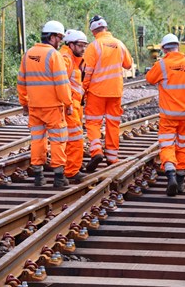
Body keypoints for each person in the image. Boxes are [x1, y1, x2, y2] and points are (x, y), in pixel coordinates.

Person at [146, 34, 185, 196]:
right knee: (183, 146)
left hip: (168, 117)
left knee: (167, 145)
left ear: (164, 49)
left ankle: (170, 173)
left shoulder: (162, 65)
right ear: (178, 47)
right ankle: (180, 181)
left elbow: (149, 78)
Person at [17, 20, 73, 187]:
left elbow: (21, 81)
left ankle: (38, 176)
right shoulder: (54, 55)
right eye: (60, 38)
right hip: (53, 107)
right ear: (53, 37)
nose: (61, 41)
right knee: (58, 139)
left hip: (34, 107)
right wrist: (68, 103)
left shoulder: (28, 54)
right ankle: (58, 177)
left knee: (37, 140)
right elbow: (62, 83)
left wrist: (24, 103)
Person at [82, 15, 133, 172]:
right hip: (115, 92)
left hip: (97, 92)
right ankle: (112, 158)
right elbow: (128, 64)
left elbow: (87, 72)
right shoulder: (119, 44)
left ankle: (96, 151)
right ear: (106, 28)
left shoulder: (94, 46)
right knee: (113, 124)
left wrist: (83, 91)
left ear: (93, 31)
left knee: (93, 122)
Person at [59, 29, 89, 182]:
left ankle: (69, 166)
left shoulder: (73, 59)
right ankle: (71, 171)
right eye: (80, 45)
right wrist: (69, 103)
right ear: (70, 44)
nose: (83, 49)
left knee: (70, 139)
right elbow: (61, 82)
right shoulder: (66, 59)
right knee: (75, 139)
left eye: (85, 45)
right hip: (69, 107)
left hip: (74, 105)